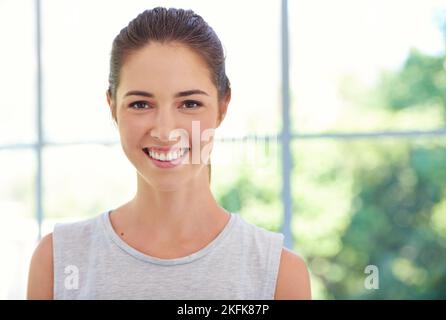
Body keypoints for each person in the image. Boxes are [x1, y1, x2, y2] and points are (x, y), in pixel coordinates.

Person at [27, 7, 311, 300]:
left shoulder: (278, 274)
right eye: (140, 104)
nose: (164, 131)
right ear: (112, 106)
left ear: (223, 105)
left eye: (189, 104)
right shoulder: (57, 261)